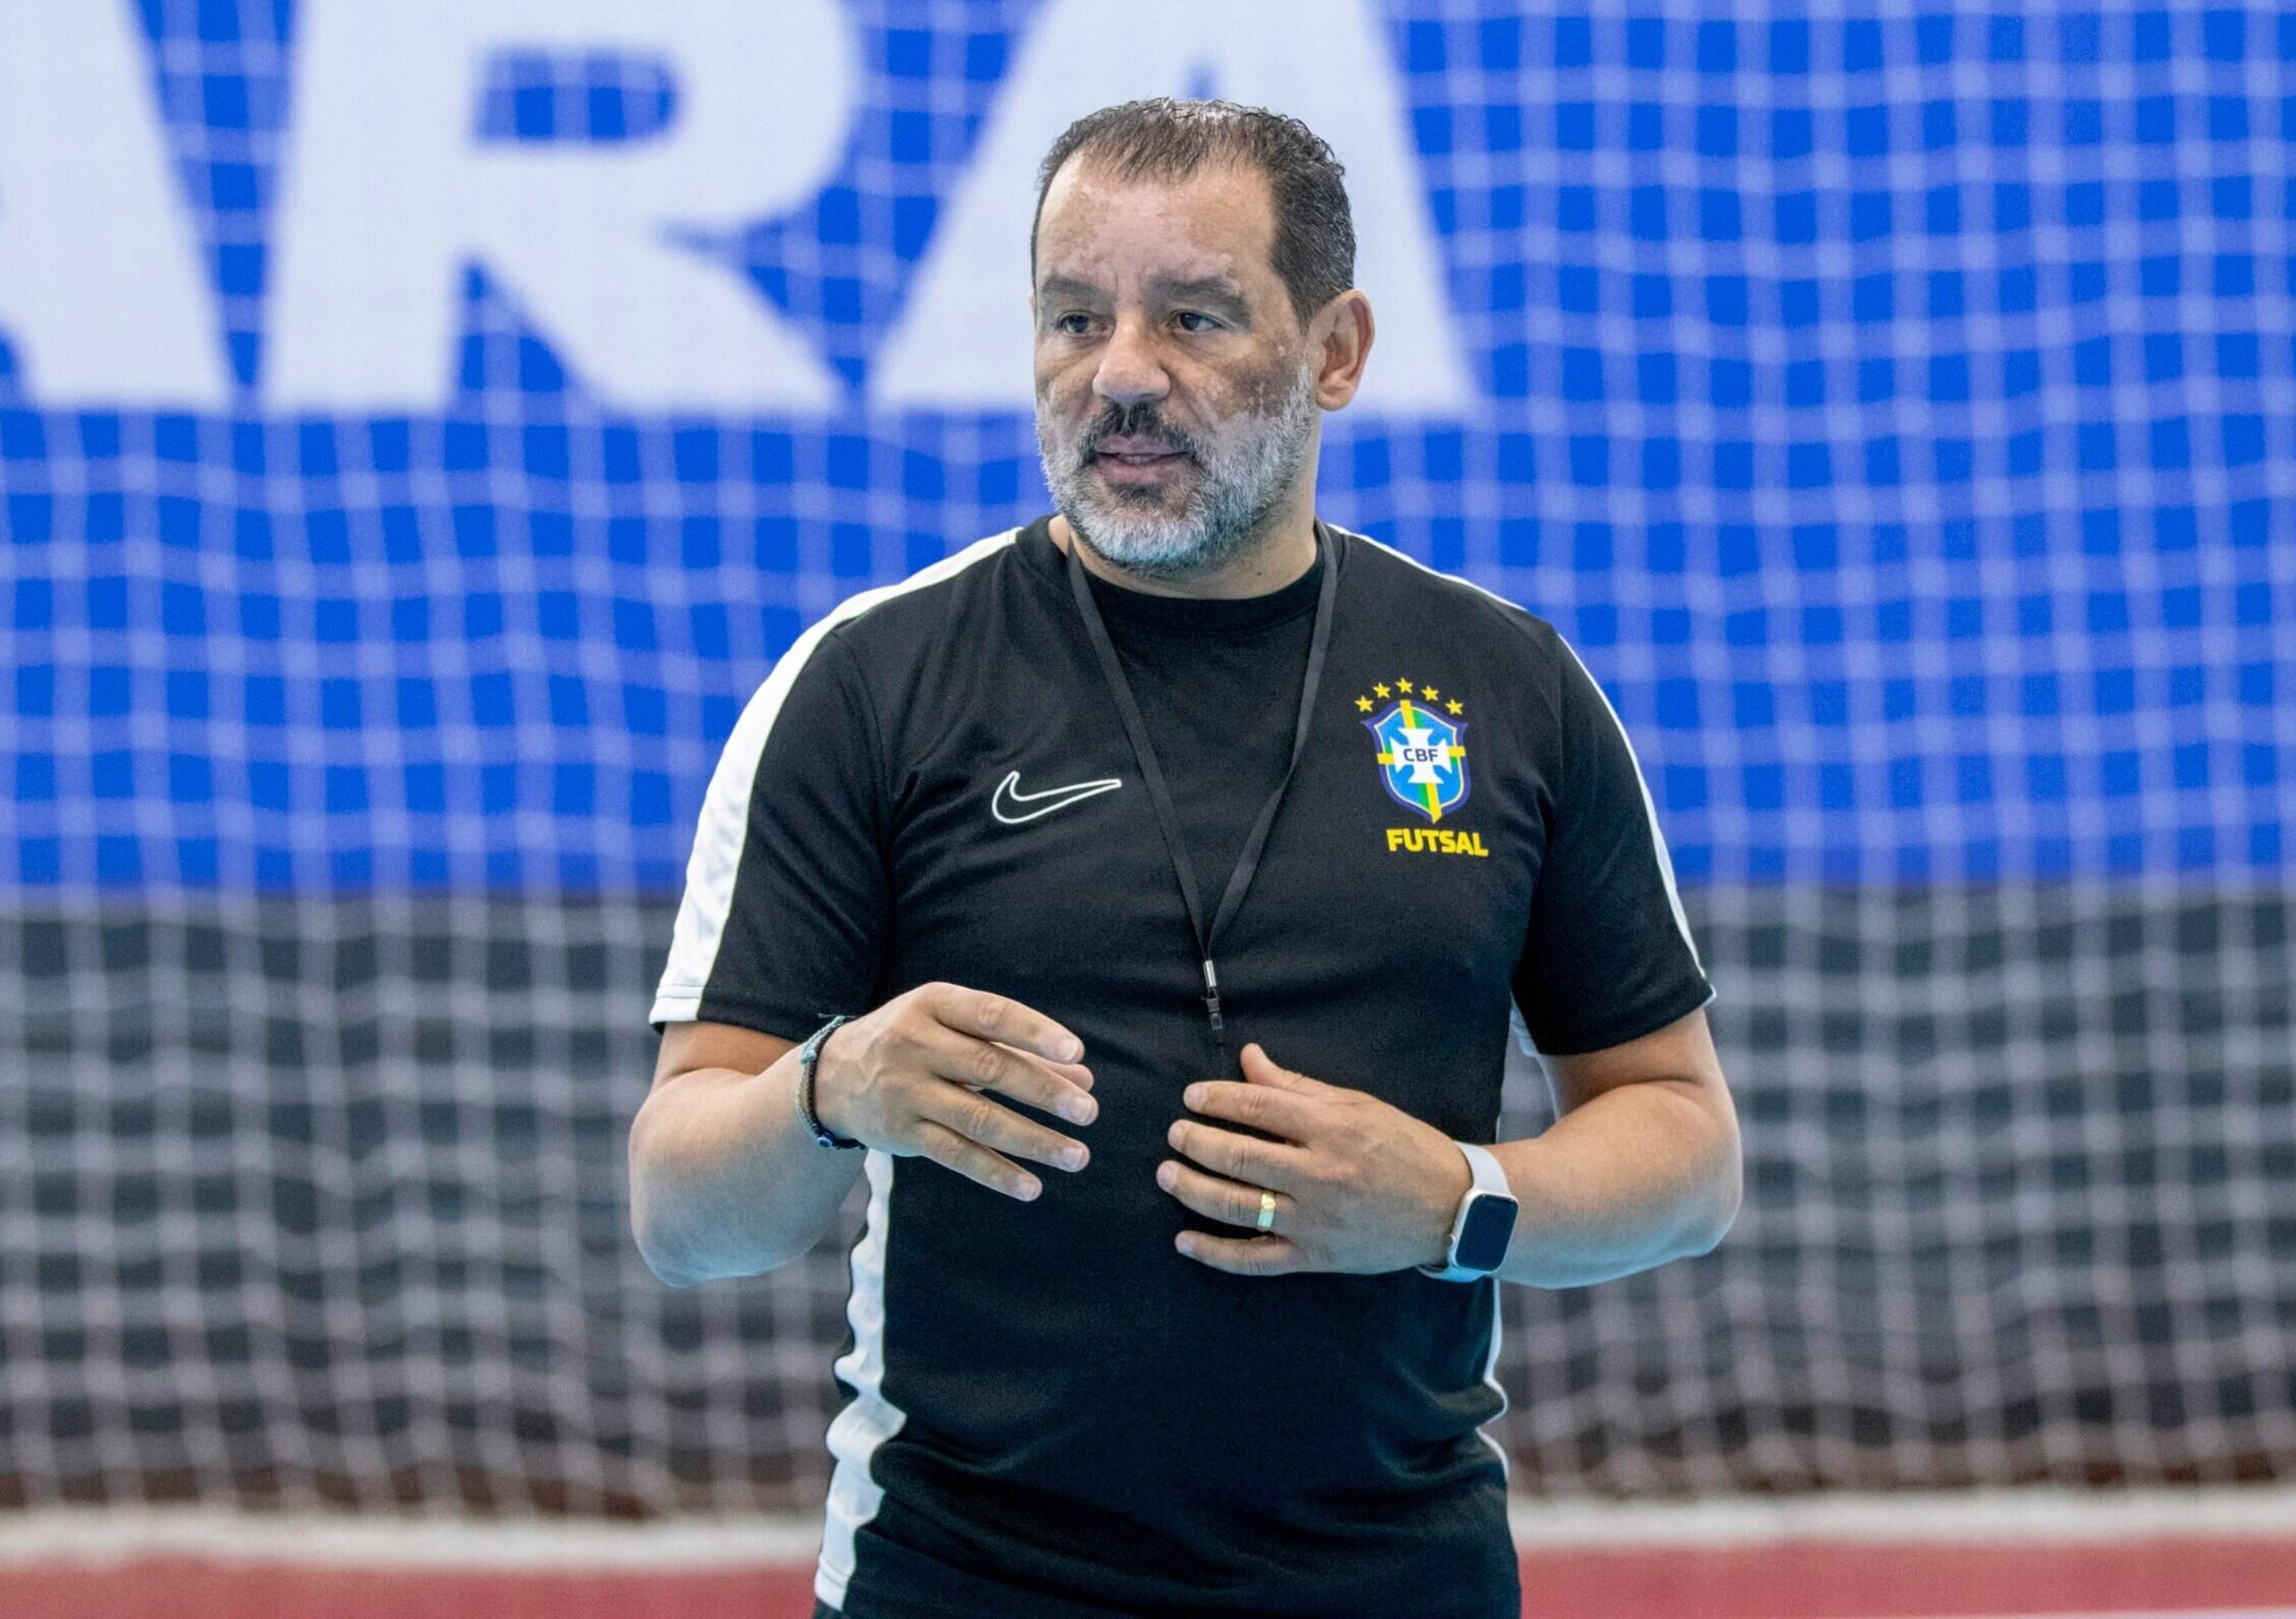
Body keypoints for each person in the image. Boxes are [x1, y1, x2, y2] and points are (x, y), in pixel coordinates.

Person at [631, 98, 1742, 1619]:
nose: (1123, 375)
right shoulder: (874, 686)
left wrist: (1457, 1201)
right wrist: (833, 1090)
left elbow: (1684, 1149)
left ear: (1338, 352)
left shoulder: (1506, 689)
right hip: (956, 1583)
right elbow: (682, 1215)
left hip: (1401, 1582)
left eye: (1195, 318)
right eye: (1075, 318)